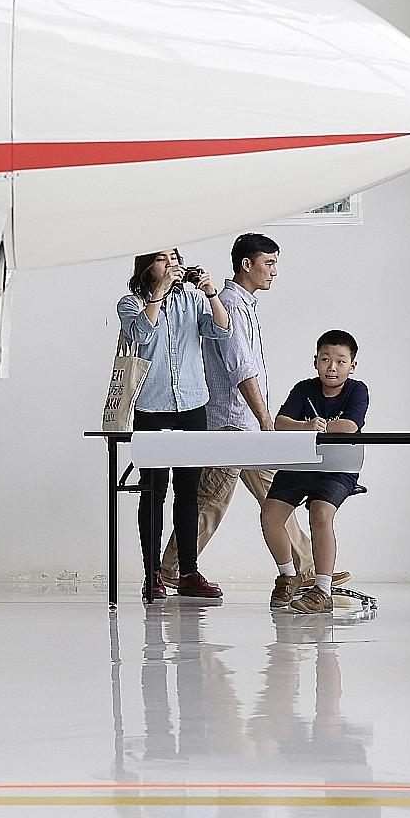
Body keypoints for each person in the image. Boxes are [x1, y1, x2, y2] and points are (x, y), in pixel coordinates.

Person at [158, 234, 341, 591]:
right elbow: (240, 368)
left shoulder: (244, 304)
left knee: (280, 494)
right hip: (232, 423)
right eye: (269, 263)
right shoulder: (230, 304)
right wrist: (266, 420)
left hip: (246, 424)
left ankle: (307, 569)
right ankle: (171, 569)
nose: (274, 271)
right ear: (247, 264)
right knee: (211, 500)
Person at [117, 249, 230, 601]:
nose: (171, 265)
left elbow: (222, 331)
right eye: (162, 258)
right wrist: (158, 293)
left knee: (188, 492)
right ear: (146, 264)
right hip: (152, 407)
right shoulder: (130, 303)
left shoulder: (192, 300)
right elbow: (143, 335)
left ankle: (188, 572)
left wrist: (210, 292)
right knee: (153, 491)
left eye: (174, 258)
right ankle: (152, 574)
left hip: (193, 404)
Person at [263, 330, 369, 613]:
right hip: (300, 463)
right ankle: (288, 575)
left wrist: (316, 426)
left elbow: (350, 426)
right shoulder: (303, 389)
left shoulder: (357, 390)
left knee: (320, 514)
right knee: (270, 515)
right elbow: (281, 422)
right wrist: (305, 427)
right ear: (315, 361)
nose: (332, 367)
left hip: (338, 467)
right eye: (325, 359)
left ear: (352, 365)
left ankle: (322, 590)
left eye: (340, 361)